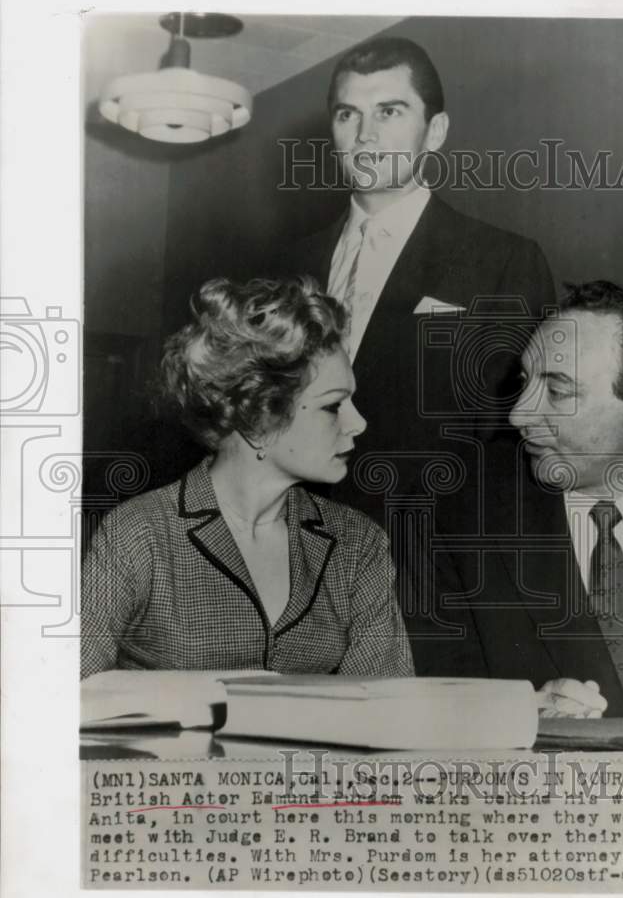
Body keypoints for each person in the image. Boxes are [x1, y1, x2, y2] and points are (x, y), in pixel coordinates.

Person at [80, 276, 413, 679]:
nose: (357, 423)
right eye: (333, 406)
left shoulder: (358, 545)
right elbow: (61, 705)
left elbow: (387, 711)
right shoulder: (139, 535)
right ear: (258, 415)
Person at [282, 36, 555, 526]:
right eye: (348, 114)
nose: (365, 135)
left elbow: (505, 443)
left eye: (389, 112)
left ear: (435, 131)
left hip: (424, 556)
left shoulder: (503, 262)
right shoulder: (287, 264)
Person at [419, 281, 623, 717]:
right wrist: (517, 716)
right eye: (525, 381)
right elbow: (435, 706)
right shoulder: (459, 514)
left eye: (558, 391)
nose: (518, 414)